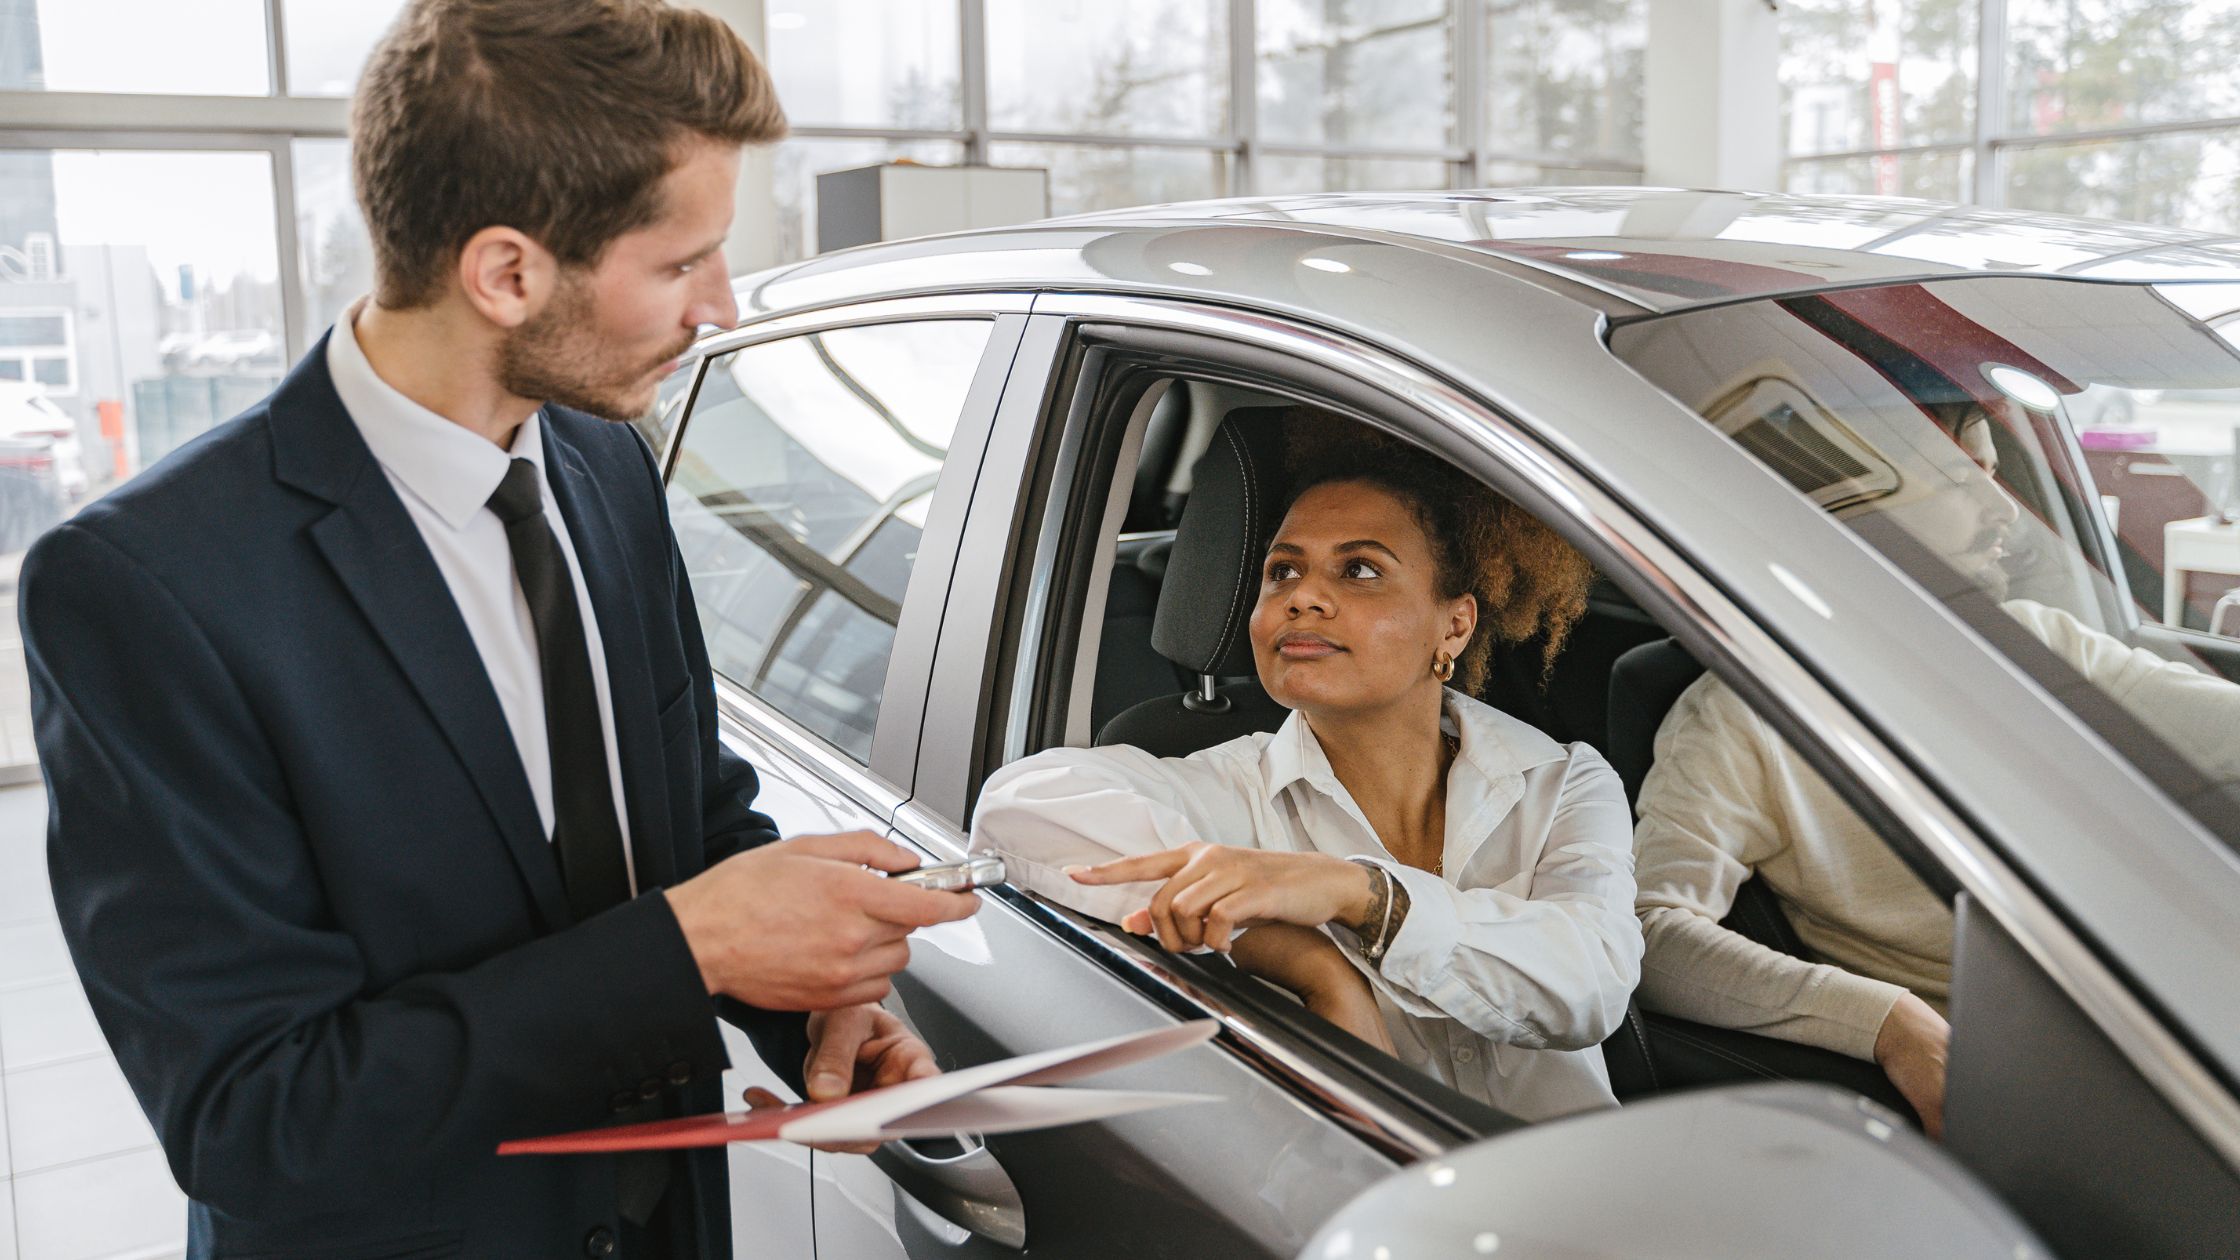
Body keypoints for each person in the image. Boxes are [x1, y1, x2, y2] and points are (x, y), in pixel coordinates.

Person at [18, 4, 977, 1257]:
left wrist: (814, 1020)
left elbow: (686, 822)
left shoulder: (604, 464)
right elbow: (252, 1117)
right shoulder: (147, 587)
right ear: (508, 273)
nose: (723, 309)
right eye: (682, 262)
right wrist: (691, 947)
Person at [971, 423, 1641, 1122]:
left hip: (1584, 1192)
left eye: (1359, 570)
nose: (1303, 597)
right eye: (1283, 571)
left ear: (1455, 624)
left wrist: (1362, 897)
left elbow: (1591, 984)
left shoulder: (1563, 782)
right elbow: (1015, 810)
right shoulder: (1225, 794)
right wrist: (1308, 962)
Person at [1632, 400, 2240, 1139]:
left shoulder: (2039, 643)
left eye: (1991, 471)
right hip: (2051, 1081)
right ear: (1857, 505)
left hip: (2186, 1012)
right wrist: (1886, 1021)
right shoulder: (1736, 716)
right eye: (1960, 479)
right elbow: (1653, 932)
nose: (2003, 510)